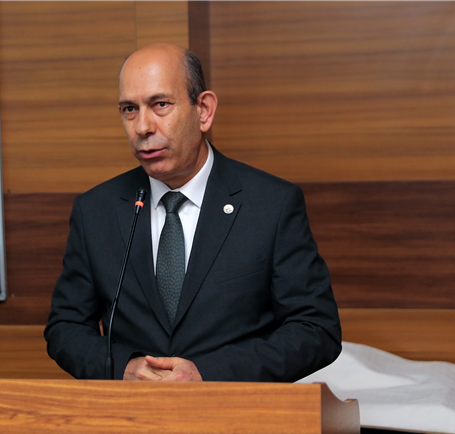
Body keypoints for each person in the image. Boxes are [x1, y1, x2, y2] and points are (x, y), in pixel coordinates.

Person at [44, 43, 341, 382]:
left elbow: (316, 329)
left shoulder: (271, 204)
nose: (142, 127)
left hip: (234, 408)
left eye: (160, 104)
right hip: (132, 409)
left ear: (204, 111)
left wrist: (208, 375)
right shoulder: (95, 210)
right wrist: (122, 368)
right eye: (130, 109)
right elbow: (65, 327)